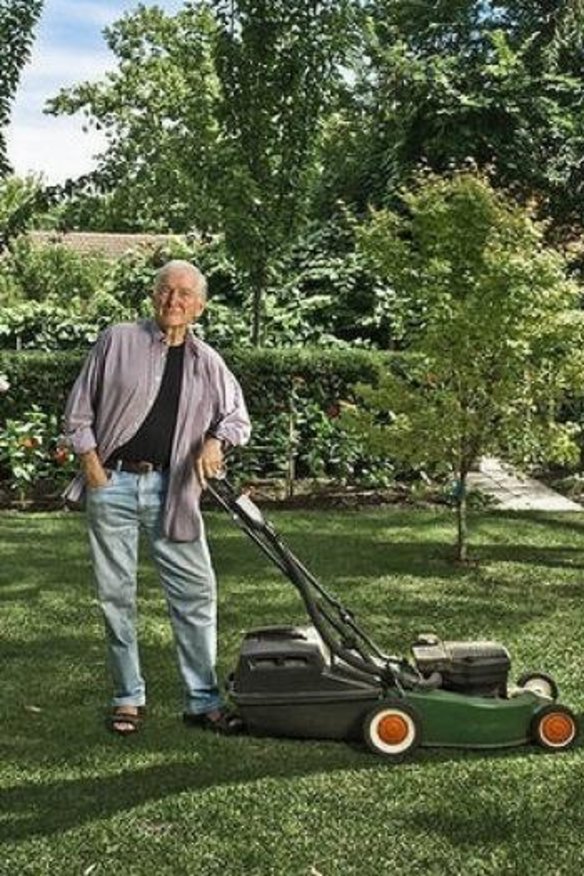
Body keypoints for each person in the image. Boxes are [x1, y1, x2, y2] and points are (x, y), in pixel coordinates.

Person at [63, 260, 251, 736]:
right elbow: (78, 411)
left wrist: (214, 442)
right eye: (166, 291)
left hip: (175, 491)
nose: (174, 301)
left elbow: (237, 419)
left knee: (195, 594)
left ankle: (202, 700)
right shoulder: (117, 340)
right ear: (153, 296)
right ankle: (128, 697)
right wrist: (93, 468)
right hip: (115, 485)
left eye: (185, 294)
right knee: (115, 595)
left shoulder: (207, 362)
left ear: (200, 306)